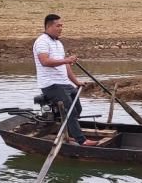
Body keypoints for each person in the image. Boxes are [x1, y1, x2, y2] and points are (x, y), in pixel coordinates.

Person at [33, 13, 98, 146]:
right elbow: (45, 61)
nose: (61, 28)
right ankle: (82, 140)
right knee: (70, 110)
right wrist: (66, 60)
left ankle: (68, 133)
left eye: (61, 26)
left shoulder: (58, 43)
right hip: (51, 84)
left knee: (77, 109)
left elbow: (66, 65)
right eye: (58, 26)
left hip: (64, 83)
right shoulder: (42, 41)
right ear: (49, 26)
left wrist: (76, 82)